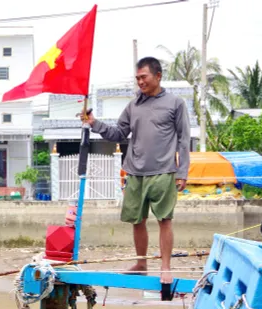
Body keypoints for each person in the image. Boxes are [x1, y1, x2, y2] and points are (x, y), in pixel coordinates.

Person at [82, 56, 191, 286]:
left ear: (158, 76)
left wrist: (182, 171)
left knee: (165, 220)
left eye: (144, 77)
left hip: (163, 171)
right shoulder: (133, 106)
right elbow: (118, 134)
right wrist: (94, 123)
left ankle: (165, 267)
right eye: (137, 78)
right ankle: (141, 264)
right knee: (137, 220)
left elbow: (183, 139)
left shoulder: (175, 103)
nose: (140, 82)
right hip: (135, 171)